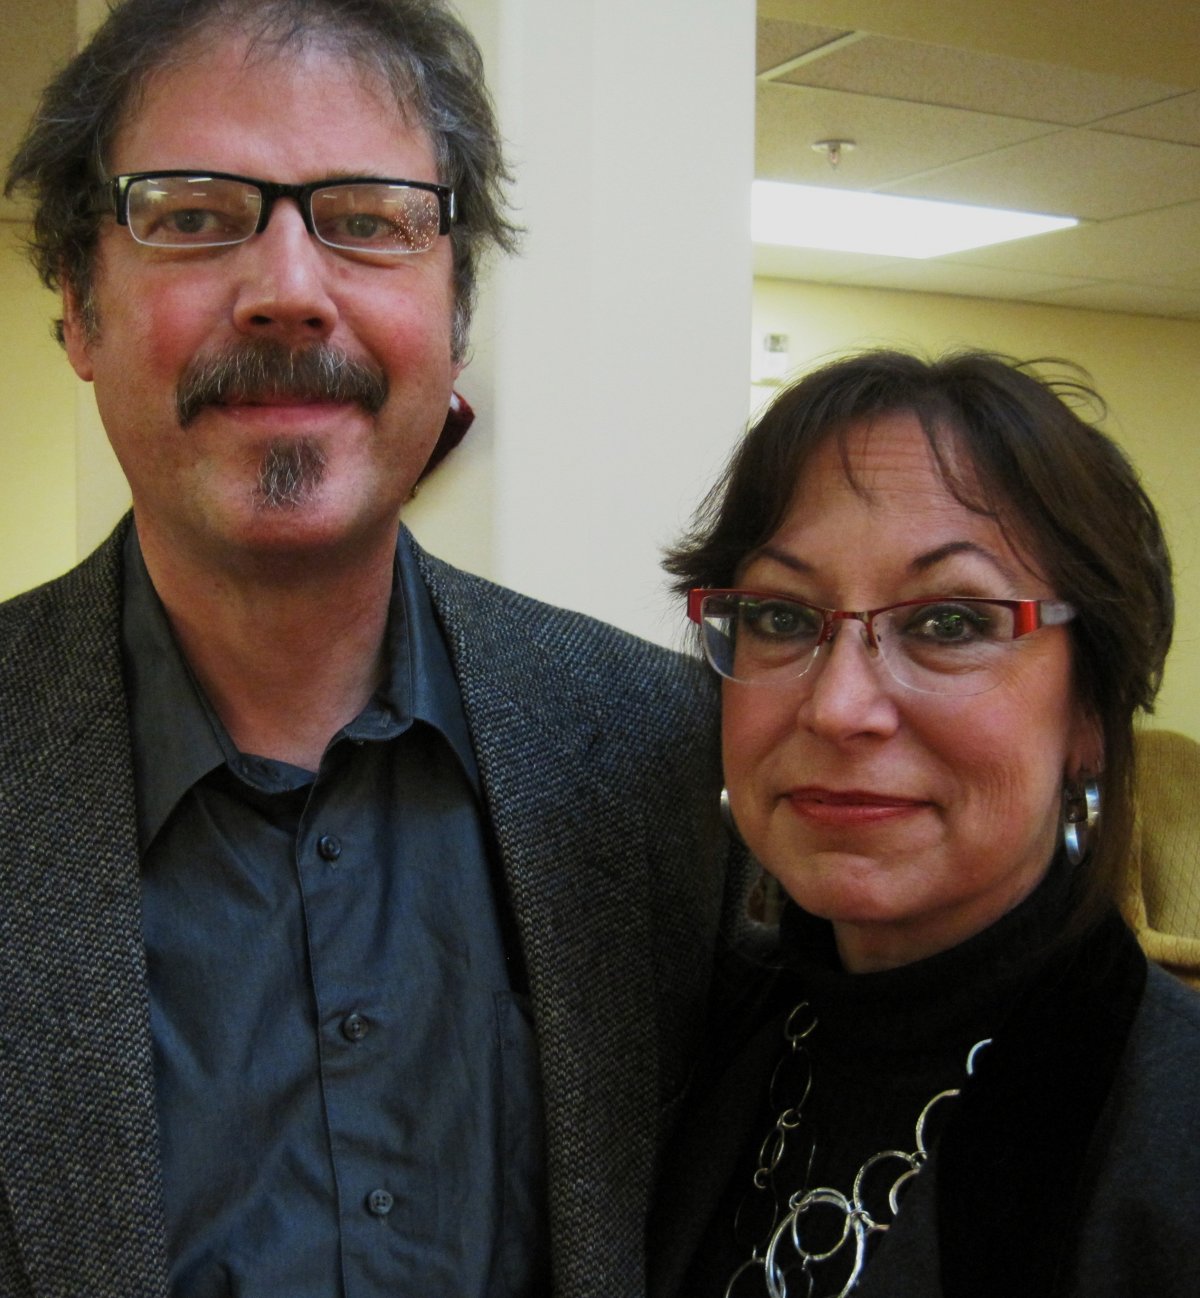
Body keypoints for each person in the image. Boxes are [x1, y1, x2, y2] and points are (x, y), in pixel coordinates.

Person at [0, 2, 740, 1295]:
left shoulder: (663, 754)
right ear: (78, 308)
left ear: (457, 312)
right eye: (191, 216)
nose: (290, 291)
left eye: (369, 220)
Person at [649, 350, 1200, 1298]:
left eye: (948, 624)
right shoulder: (692, 1046)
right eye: (781, 617)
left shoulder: (1170, 1133)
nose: (838, 708)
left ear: (1090, 715)